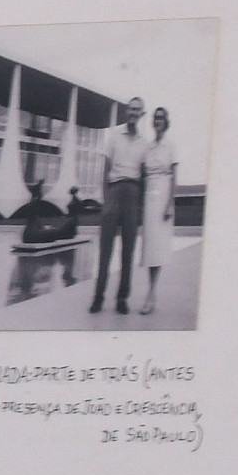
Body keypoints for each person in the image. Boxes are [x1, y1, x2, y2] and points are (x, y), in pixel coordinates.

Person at [89, 98, 147, 315]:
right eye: (131, 109)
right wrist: (105, 200)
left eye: (137, 110)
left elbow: (144, 176)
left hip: (133, 193)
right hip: (114, 191)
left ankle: (122, 298)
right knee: (105, 249)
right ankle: (98, 297)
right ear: (126, 111)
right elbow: (104, 170)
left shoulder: (145, 143)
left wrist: (140, 206)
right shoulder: (113, 136)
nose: (133, 113)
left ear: (142, 114)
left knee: (128, 250)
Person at [139, 104, 182, 315]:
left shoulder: (171, 145)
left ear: (166, 122)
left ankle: (151, 295)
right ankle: (152, 294)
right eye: (155, 118)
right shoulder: (148, 147)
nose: (157, 121)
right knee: (150, 249)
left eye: (161, 118)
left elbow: (174, 177)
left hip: (164, 195)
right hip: (149, 196)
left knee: (159, 248)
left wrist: (169, 203)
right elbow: (142, 173)